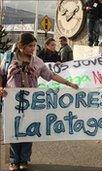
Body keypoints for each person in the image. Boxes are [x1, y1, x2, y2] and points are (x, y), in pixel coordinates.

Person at [0, 32, 78, 171]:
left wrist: (68, 83)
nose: (33, 49)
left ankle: (24, 159)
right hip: (11, 101)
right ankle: (13, 160)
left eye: (34, 46)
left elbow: (51, 75)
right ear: (20, 46)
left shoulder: (38, 62)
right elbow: (1, 74)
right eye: (30, 46)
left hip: (31, 102)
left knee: (28, 130)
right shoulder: (8, 58)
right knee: (12, 130)